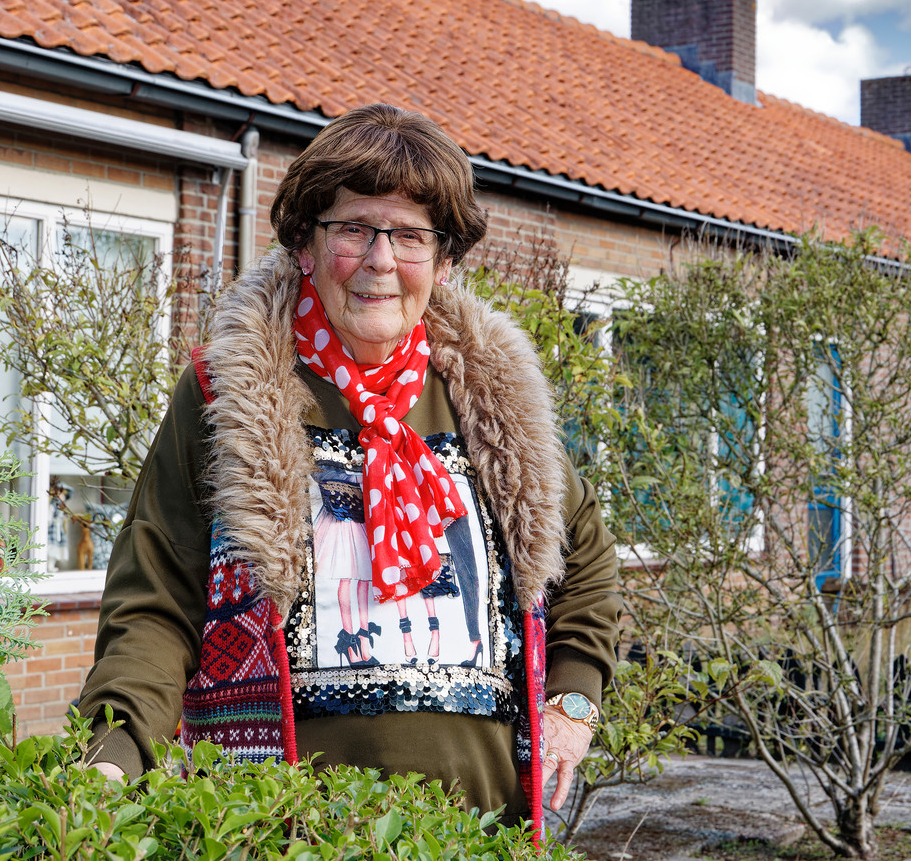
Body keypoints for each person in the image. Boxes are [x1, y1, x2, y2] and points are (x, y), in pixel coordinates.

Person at [77, 104, 621, 831]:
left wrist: (574, 700)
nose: (380, 261)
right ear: (306, 243)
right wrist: (114, 754)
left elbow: (584, 560)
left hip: (482, 831)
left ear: (446, 260)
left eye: (410, 236)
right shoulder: (227, 395)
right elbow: (155, 601)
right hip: (283, 830)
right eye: (355, 229)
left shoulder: (492, 400)